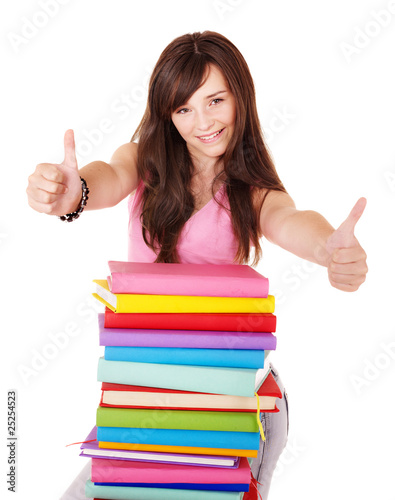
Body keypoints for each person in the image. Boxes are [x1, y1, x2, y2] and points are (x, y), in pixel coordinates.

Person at [26, 31, 368, 500]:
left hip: (231, 399)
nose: (201, 121)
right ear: (167, 113)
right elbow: (108, 175)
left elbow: (290, 220)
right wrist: (75, 192)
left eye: (215, 101)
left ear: (240, 98)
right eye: (183, 108)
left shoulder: (251, 190)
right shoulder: (145, 161)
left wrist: (329, 248)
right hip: (147, 393)